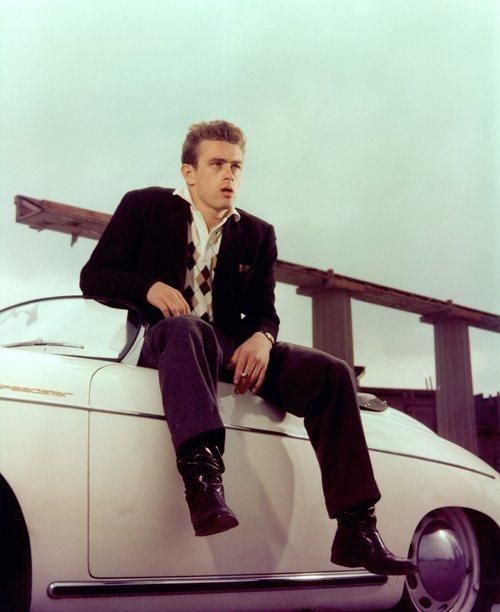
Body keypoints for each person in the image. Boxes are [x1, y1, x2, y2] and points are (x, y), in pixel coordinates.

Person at [80, 120, 417, 575]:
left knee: (333, 373)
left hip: (227, 347)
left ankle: (357, 528)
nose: (229, 175)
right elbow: (94, 277)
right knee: (187, 329)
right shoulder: (144, 206)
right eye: (217, 164)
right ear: (189, 172)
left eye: (237, 166)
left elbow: (263, 311)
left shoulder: (257, 234)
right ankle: (203, 484)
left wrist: (262, 337)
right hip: (164, 340)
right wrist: (149, 287)